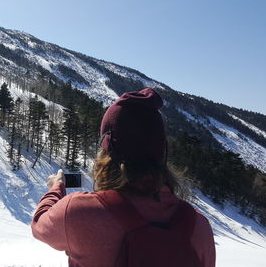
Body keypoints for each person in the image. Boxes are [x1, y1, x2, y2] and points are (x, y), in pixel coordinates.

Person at [31, 88, 215, 267]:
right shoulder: (198, 226)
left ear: (107, 151)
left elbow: (39, 225)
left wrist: (56, 187)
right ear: (162, 152)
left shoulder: (78, 212)